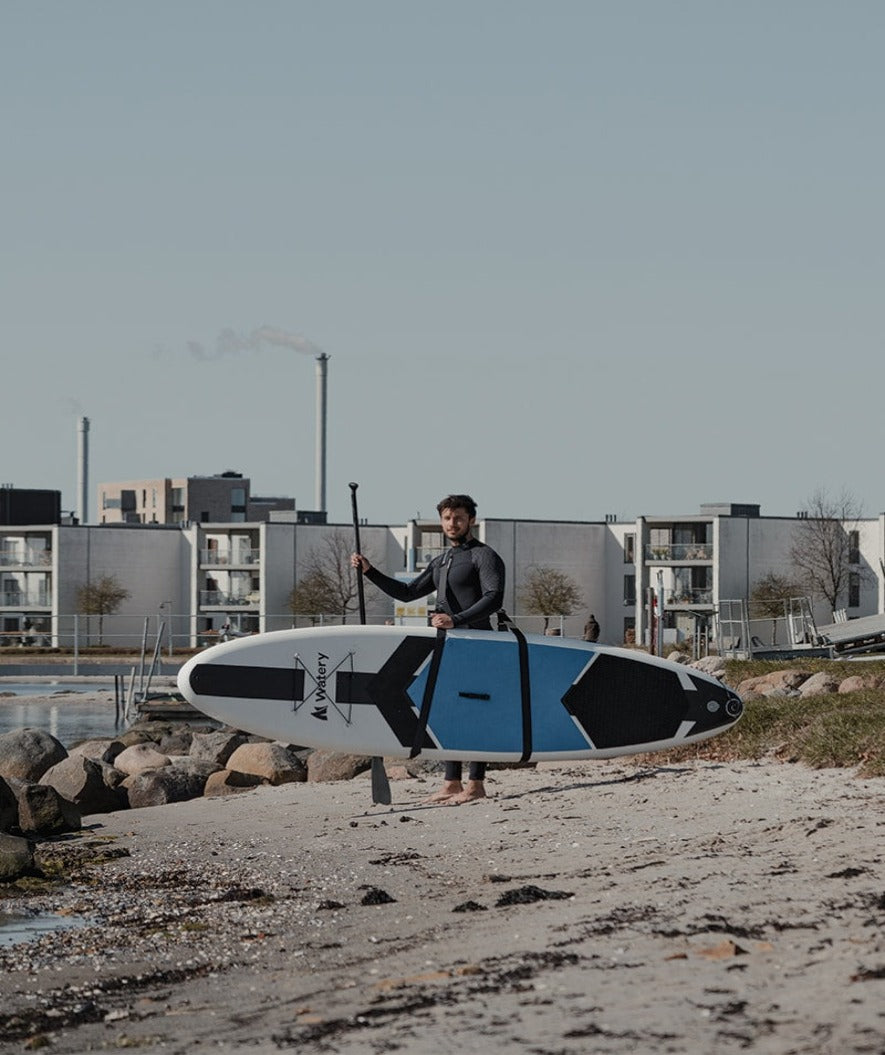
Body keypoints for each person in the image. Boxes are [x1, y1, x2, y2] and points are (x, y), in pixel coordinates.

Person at [351, 493, 505, 805]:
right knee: (447, 710)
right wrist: (370, 571)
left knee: (473, 712)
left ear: (471, 520)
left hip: (477, 644)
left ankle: (476, 785)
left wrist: (456, 619)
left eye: (459, 517)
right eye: (448, 518)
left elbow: (494, 597)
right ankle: (451, 782)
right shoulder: (442, 561)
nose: (453, 523)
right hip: (446, 645)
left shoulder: (484, 556)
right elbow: (407, 593)